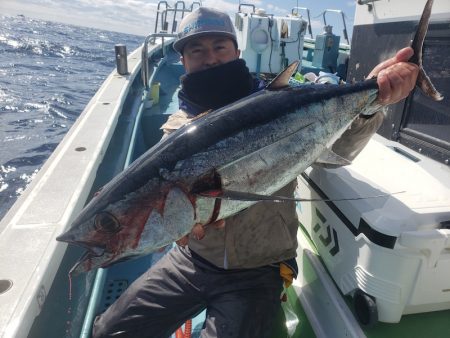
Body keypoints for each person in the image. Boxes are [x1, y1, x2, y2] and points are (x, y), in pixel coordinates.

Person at [92, 7, 419, 338]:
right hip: (191, 262)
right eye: (197, 50)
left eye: (219, 47)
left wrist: (373, 102)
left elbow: (339, 155)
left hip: (257, 269)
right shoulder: (178, 129)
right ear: (184, 61)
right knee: (110, 329)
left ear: (236, 51)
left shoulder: (281, 101)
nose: (210, 59)